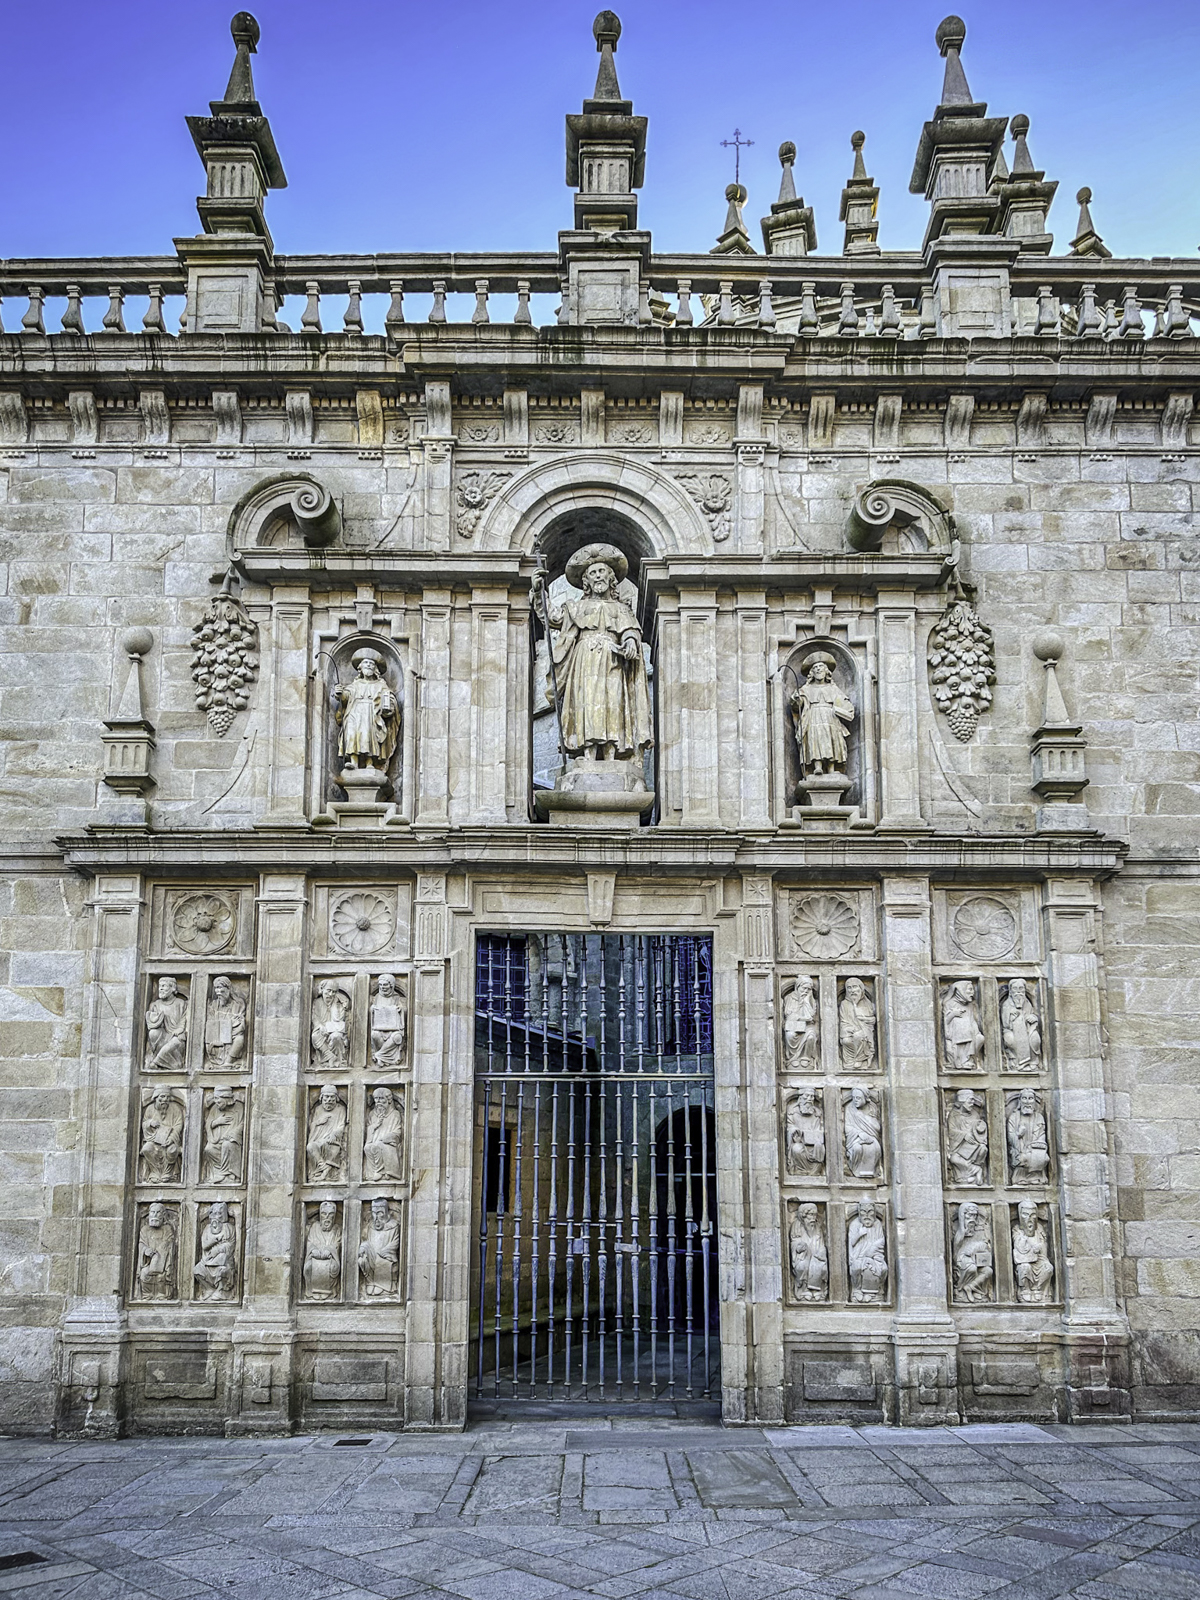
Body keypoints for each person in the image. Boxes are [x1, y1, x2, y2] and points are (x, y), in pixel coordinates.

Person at [532, 543, 653, 762]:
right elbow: (553, 617)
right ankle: (587, 754)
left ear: (610, 578)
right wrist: (540, 593)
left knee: (612, 704)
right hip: (583, 662)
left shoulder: (621, 609)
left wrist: (630, 642)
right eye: (593, 573)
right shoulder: (576, 608)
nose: (598, 576)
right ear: (586, 581)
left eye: (602, 571)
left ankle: (611, 755)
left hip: (613, 661)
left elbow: (630, 631)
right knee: (585, 704)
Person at [334, 648, 399, 771]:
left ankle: (370, 763)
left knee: (368, 735)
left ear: (375, 669)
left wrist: (388, 706)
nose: (368, 665)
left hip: (371, 714)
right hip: (354, 714)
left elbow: (389, 699)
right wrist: (340, 693)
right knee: (352, 734)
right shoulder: (355, 685)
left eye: (371, 664)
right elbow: (346, 696)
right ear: (360, 668)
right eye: (366, 663)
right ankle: (353, 762)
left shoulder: (381, 685)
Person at [790, 652, 854, 775]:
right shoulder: (805, 689)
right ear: (812, 673)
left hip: (831, 718)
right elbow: (797, 706)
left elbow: (844, 704)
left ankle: (831, 768)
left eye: (821, 667)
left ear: (826, 671)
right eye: (815, 668)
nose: (818, 669)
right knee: (815, 739)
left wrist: (843, 709)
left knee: (831, 740)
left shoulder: (833, 689)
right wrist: (796, 699)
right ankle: (817, 766)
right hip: (813, 717)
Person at [1012, 1200, 1055, 1304]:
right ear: (1020, 1215)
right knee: (1024, 1267)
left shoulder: (1039, 1228)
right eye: (1025, 1214)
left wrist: (1039, 1246)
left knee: (1048, 1268)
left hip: (1038, 1259)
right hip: (1024, 1259)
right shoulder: (1017, 1229)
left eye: (1032, 1215)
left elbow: (1043, 1246)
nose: (1029, 1218)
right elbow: (1019, 1245)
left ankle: (1037, 1288)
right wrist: (1027, 1235)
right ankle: (1025, 1289)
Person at [193, 1201, 238, 1300]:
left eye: (220, 1213)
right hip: (207, 1260)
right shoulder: (207, 1228)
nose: (217, 1216)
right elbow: (204, 1245)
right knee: (197, 1270)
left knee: (223, 1270)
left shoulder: (229, 1228)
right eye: (215, 1213)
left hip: (223, 1260)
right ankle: (209, 1289)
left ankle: (221, 1291)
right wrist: (213, 1241)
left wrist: (218, 1249)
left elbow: (230, 1245)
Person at [201, 1086, 245, 1185]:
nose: (216, 1102)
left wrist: (232, 1134)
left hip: (232, 1139)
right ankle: (218, 1173)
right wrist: (217, 1122)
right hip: (217, 1139)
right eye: (215, 1099)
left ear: (226, 1098)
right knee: (209, 1149)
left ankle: (229, 1175)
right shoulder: (214, 1108)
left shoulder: (239, 1107)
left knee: (227, 1145)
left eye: (218, 1099)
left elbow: (242, 1123)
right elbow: (208, 1123)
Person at [139, 1089, 184, 1184]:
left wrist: (171, 1138)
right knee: (147, 1149)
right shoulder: (150, 1109)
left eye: (167, 1097)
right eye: (162, 1096)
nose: (165, 1099)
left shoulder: (175, 1108)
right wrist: (150, 1123)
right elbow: (144, 1123)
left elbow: (178, 1125)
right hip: (153, 1138)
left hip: (170, 1138)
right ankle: (155, 1172)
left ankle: (168, 1173)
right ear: (156, 1097)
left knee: (172, 1150)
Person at [952, 1202, 994, 1303]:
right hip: (963, 1258)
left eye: (975, 1215)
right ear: (963, 1216)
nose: (973, 1218)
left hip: (976, 1259)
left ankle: (971, 1288)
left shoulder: (980, 1230)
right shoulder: (959, 1231)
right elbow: (956, 1252)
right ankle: (960, 1290)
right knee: (972, 1268)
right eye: (970, 1215)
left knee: (988, 1271)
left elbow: (985, 1245)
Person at [1006, 1088, 1050, 1185]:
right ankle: (1020, 1178)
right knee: (1023, 1158)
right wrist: (1018, 1134)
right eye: (1024, 1098)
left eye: (1030, 1098)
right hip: (1019, 1149)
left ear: (1034, 1101)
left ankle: (1036, 1177)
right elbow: (1010, 1137)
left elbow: (1042, 1134)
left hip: (1034, 1148)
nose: (1027, 1102)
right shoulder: (1014, 1117)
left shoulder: (1039, 1117)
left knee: (1042, 1158)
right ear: (1020, 1101)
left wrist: (1037, 1145)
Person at [945, 1089, 989, 1186]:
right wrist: (964, 1135)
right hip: (959, 1147)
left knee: (983, 1149)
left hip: (973, 1145)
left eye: (973, 1102)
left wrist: (980, 1132)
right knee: (954, 1159)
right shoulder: (954, 1115)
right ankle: (975, 1170)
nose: (972, 1104)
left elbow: (979, 1130)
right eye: (969, 1101)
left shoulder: (975, 1114)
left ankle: (969, 1176)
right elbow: (951, 1131)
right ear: (962, 1102)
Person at [358, 1197, 400, 1297]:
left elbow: (395, 1242)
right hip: (373, 1256)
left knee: (382, 1262)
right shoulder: (370, 1226)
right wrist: (363, 1248)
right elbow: (367, 1241)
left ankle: (383, 1286)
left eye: (379, 1213)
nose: (376, 1217)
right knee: (362, 1260)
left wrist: (385, 1251)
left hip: (386, 1256)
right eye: (374, 1213)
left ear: (385, 1212)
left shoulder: (393, 1226)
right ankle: (370, 1282)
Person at [848, 1200, 888, 1303]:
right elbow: (852, 1242)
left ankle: (874, 1292)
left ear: (874, 1212)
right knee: (856, 1267)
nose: (867, 1215)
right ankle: (857, 1290)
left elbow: (881, 1240)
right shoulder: (854, 1224)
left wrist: (873, 1249)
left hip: (874, 1255)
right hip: (859, 1255)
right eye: (863, 1212)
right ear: (859, 1212)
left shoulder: (877, 1224)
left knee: (883, 1268)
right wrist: (859, 1234)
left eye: (870, 1211)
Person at [135, 1203, 177, 1301]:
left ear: (163, 1215)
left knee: (161, 1276)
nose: (155, 1215)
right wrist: (146, 1250)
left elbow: (169, 1243)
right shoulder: (145, 1230)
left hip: (162, 1261)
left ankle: (161, 1295)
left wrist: (159, 1255)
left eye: (158, 1212)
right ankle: (147, 1295)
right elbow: (141, 1244)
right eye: (153, 1212)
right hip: (148, 1261)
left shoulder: (167, 1229)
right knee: (144, 1273)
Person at [306, 1085, 348, 1182]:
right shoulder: (318, 1109)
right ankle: (322, 1166)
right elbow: (312, 1125)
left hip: (333, 1139)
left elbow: (341, 1125)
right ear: (322, 1098)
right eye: (326, 1097)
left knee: (330, 1147)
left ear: (336, 1098)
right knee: (310, 1146)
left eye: (332, 1097)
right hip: (319, 1138)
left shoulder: (341, 1109)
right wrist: (319, 1122)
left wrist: (335, 1133)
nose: (329, 1100)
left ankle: (326, 1173)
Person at [145, 976, 188, 1070]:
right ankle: (157, 1059)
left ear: (172, 988)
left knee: (175, 1042)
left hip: (177, 1035)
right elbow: (151, 1022)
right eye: (160, 986)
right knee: (153, 1033)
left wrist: (179, 1030)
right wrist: (156, 1020)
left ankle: (157, 1062)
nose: (160, 988)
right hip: (163, 1035)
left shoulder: (180, 1003)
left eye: (164, 986)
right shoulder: (156, 1004)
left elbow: (184, 1018)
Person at [302, 1202, 342, 1302]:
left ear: (334, 1216)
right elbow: (310, 1242)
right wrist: (314, 1250)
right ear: (320, 1215)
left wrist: (329, 1250)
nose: (327, 1217)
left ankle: (330, 1290)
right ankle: (311, 1290)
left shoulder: (336, 1229)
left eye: (330, 1214)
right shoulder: (314, 1227)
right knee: (308, 1267)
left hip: (330, 1258)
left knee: (333, 1268)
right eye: (324, 1214)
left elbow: (337, 1243)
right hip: (315, 1257)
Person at [204, 975, 246, 1068]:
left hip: (233, 1033)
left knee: (240, 1039)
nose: (218, 991)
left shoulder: (238, 1004)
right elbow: (211, 1023)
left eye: (220, 988)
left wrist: (229, 1031)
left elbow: (240, 1023)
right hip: (215, 1035)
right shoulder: (213, 1005)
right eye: (216, 988)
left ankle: (228, 1061)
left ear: (228, 989)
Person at [788, 1203, 828, 1301]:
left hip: (816, 1255)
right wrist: (800, 1247)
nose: (813, 1218)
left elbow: (821, 1243)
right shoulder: (796, 1226)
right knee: (803, 1266)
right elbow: (794, 1242)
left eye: (814, 1215)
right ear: (803, 1215)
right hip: (803, 1256)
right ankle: (804, 1289)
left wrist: (821, 1252)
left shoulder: (817, 1227)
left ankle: (817, 1289)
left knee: (821, 1267)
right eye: (810, 1215)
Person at [363, 1087, 404, 1182]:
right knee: (367, 1147)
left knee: (377, 1145)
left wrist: (388, 1137)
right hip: (374, 1140)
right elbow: (369, 1128)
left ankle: (381, 1172)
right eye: (376, 1098)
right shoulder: (372, 1114)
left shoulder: (395, 1114)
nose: (378, 1101)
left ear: (388, 1100)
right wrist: (375, 1125)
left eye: (381, 1098)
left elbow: (398, 1131)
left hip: (388, 1143)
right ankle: (372, 1173)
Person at [942, 980, 984, 1071]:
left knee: (980, 1038)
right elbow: (945, 1022)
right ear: (961, 990)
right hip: (955, 1036)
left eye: (972, 990)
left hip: (969, 1033)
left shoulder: (970, 1005)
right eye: (970, 990)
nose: (972, 992)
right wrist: (953, 1014)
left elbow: (972, 1020)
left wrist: (976, 1032)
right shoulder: (949, 1003)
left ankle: (969, 1058)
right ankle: (961, 1061)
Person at [1001, 979, 1042, 1072]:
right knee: (1010, 1039)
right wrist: (1011, 1016)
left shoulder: (1027, 1004)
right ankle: (1017, 1063)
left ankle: (1033, 1062)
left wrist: (1033, 1017)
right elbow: (1005, 1023)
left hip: (1027, 1029)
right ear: (1011, 991)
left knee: (1035, 1038)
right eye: (1015, 989)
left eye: (1021, 988)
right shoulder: (1006, 1004)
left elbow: (1032, 1015)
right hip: (1011, 1030)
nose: (1018, 992)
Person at [843, 1086, 883, 1180]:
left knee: (876, 1147)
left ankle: (871, 1171)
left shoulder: (872, 1108)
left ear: (866, 1098)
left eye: (858, 1098)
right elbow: (847, 1127)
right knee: (857, 1148)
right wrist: (860, 1134)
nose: (855, 1100)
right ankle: (856, 1170)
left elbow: (876, 1128)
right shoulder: (850, 1108)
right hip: (855, 1137)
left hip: (871, 1136)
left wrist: (864, 1118)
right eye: (853, 1098)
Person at [785, 1089, 825, 1177]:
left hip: (813, 1143)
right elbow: (790, 1127)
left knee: (820, 1148)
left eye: (812, 1096)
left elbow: (819, 1129)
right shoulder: (792, 1112)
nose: (809, 1099)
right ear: (800, 1098)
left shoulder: (817, 1113)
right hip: (800, 1141)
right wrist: (796, 1132)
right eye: (807, 1096)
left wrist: (816, 1136)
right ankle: (801, 1170)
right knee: (796, 1149)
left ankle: (816, 1171)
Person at [311, 981, 351, 1070]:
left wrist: (339, 1000)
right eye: (328, 990)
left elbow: (339, 1018)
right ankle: (330, 1056)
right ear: (322, 989)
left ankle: (337, 1060)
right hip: (321, 1028)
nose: (330, 994)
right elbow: (315, 1017)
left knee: (336, 1036)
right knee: (315, 1036)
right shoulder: (317, 1002)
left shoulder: (337, 1004)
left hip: (334, 1029)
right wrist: (320, 1026)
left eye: (334, 992)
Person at [838, 978, 876, 1070]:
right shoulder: (844, 1004)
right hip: (850, 1030)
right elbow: (843, 1021)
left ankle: (860, 1059)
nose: (852, 990)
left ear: (861, 988)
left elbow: (872, 1019)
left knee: (858, 1036)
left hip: (865, 1029)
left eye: (854, 987)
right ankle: (849, 1061)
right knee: (846, 1040)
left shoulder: (867, 1003)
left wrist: (864, 1019)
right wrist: (848, 1028)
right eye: (849, 988)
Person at [782, 976, 819, 1069]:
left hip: (807, 1026)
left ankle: (806, 1058)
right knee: (790, 1036)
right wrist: (802, 1018)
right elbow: (789, 1015)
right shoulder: (789, 998)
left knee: (811, 1037)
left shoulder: (811, 1000)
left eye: (808, 989)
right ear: (798, 987)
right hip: (793, 1025)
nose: (806, 991)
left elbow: (812, 1015)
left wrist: (806, 1002)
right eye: (804, 988)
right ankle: (793, 1058)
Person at [370, 974, 407, 1068]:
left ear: (391, 985)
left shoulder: (396, 997)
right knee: (374, 1035)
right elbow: (372, 1011)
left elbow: (403, 1009)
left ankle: (379, 1055)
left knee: (397, 1037)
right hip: (380, 1028)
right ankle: (381, 1055)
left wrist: (400, 1009)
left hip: (393, 1029)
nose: (383, 987)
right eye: (381, 985)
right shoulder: (377, 997)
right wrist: (373, 1009)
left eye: (385, 985)